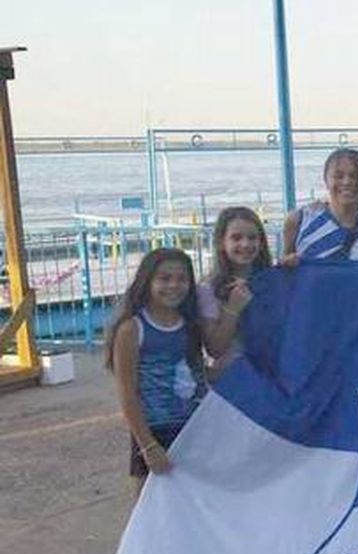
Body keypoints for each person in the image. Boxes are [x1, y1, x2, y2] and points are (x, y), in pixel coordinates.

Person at [105, 248, 207, 496]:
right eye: (164, 278)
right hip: (154, 431)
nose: (174, 285)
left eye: (182, 279)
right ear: (147, 281)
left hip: (193, 429)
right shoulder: (132, 329)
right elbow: (127, 394)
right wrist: (147, 445)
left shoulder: (192, 325)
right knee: (150, 504)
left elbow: (198, 375)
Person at [200, 206, 273, 370]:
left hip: (272, 376)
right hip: (233, 380)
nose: (245, 244)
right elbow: (215, 350)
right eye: (236, 238)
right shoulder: (207, 290)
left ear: (261, 243)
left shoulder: (274, 282)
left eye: (252, 237)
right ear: (221, 242)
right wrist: (232, 309)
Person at [281, 148, 358, 261]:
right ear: (326, 180)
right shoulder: (299, 220)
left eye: (355, 176)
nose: (347, 182)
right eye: (338, 176)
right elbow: (284, 271)